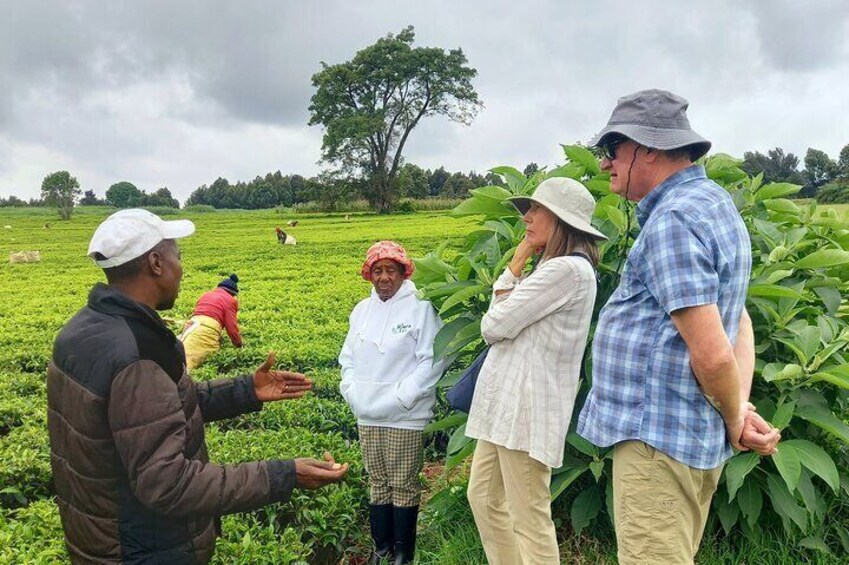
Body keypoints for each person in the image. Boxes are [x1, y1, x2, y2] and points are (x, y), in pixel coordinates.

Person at [47, 208, 348, 564]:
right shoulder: (137, 352)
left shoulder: (81, 329)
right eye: (179, 255)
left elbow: (151, 415)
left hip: (102, 539)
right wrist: (283, 474)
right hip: (145, 550)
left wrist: (246, 390)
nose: (182, 268)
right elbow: (168, 484)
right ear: (156, 263)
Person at [576, 89, 781, 564]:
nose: (606, 164)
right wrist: (738, 406)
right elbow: (737, 317)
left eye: (613, 150)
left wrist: (735, 417)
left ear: (647, 148)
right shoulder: (713, 203)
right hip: (685, 436)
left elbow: (710, 352)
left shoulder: (672, 219)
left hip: (658, 445)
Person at [465, 177, 606, 565]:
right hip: (507, 409)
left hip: (526, 410)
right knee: (483, 497)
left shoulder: (566, 272)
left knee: (529, 516)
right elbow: (504, 323)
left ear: (561, 219)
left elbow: (493, 326)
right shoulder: (552, 268)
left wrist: (515, 264)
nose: (526, 217)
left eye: (536, 209)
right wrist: (524, 260)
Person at [338, 241, 444, 565]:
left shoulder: (420, 308)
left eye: (391, 270)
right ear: (368, 274)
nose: (384, 277)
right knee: (377, 481)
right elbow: (348, 359)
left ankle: (403, 552)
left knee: (403, 483)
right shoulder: (361, 311)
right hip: (367, 412)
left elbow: (434, 358)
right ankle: (380, 547)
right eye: (377, 271)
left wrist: (404, 396)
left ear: (403, 272)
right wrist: (352, 393)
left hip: (404, 415)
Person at [179, 273, 243, 370]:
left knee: (181, 351)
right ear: (232, 293)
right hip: (206, 330)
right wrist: (238, 344)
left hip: (191, 325)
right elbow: (231, 327)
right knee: (190, 361)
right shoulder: (230, 300)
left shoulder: (206, 295)